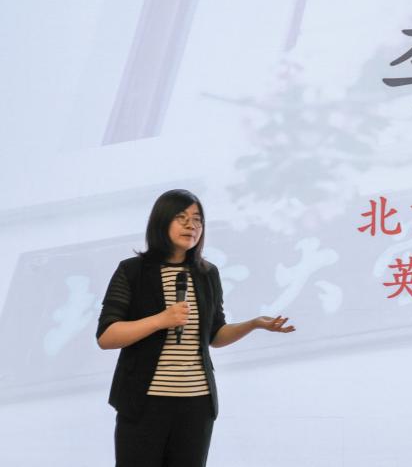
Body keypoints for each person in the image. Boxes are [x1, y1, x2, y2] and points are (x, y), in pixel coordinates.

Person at [96, 189, 295, 467]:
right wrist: (161, 320)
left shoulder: (207, 274)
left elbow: (215, 335)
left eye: (198, 220)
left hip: (196, 403)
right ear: (161, 221)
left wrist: (253, 324)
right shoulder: (132, 271)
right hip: (144, 402)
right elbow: (107, 336)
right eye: (182, 218)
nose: (192, 226)